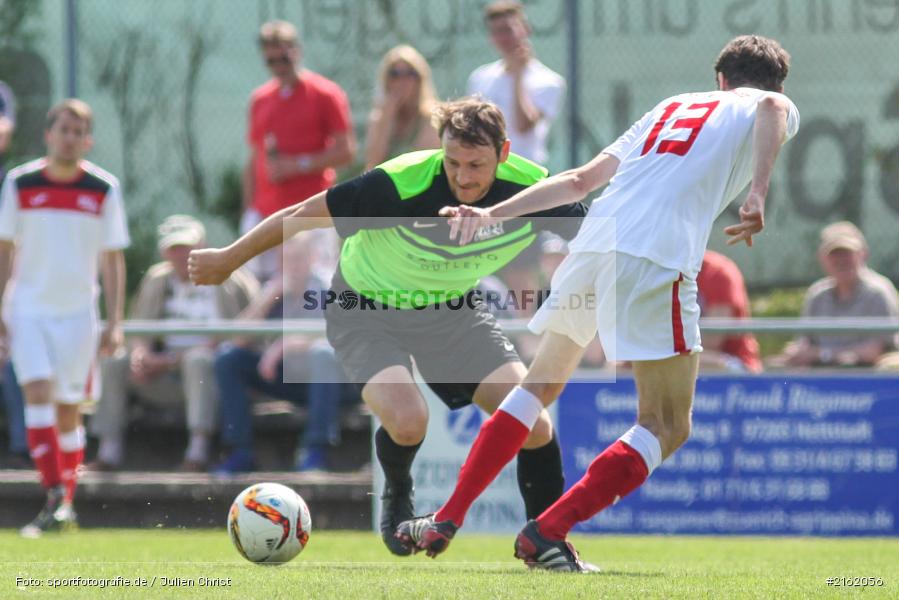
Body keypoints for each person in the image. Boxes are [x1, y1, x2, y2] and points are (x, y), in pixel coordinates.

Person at [397, 35, 800, 571]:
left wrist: (492, 214)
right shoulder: (768, 102)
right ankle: (546, 530)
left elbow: (579, 180)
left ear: (720, 80)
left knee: (537, 387)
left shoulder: (671, 106)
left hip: (593, 243)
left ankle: (448, 515)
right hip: (656, 256)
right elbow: (772, 106)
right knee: (669, 424)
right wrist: (758, 192)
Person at [189, 97, 586, 556]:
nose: (463, 177)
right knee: (408, 420)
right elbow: (298, 216)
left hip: (452, 311)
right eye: (452, 162)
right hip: (365, 308)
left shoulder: (537, 190)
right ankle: (398, 494)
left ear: (504, 151)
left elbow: (601, 242)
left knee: (533, 423)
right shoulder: (400, 183)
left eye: (476, 164)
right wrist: (226, 259)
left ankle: (548, 542)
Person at [0, 99, 129, 537]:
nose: (70, 137)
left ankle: (64, 506)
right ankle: (54, 493)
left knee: (69, 411)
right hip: (29, 308)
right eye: (63, 129)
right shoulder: (20, 183)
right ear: (47, 134)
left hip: (78, 314)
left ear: (87, 140)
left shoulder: (102, 188)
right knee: (37, 394)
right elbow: (5, 248)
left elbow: (113, 258)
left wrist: (115, 321)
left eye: (78, 131)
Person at [88, 215, 258, 472]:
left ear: (202, 244)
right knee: (113, 362)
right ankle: (108, 451)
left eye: (187, 247)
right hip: (162, 373)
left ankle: (197, 452)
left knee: (197, 361)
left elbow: (247, 330)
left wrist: (171, 361)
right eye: (174, 249)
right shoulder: (157, 279)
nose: (182, 255)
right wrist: (140, 355)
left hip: (208, 371)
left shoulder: (232, 278)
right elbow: (139, 329)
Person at [212, 232, 344, 474]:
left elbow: (334, 338)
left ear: (312, 258)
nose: (291, 266)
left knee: (321, 354)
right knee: (228, 360)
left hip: (331, 383)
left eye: (298, 258)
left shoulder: (328, 286)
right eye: (285, 259)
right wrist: (265, 299)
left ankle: (316, 453)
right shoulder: (274, 290)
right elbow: (238, 338)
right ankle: (239, 451)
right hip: (287, 378)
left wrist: (281, 346)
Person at [242, 20, 356, 282]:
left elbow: (346, 150)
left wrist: (298, 164)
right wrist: (249, 208)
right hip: (267, 212)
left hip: (312, 211)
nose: (279, 66)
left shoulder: (325, 93)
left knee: (316, 286)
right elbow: (253, 158)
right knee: (263, 287)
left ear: (296, 51)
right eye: (271, 61)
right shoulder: (260, 99)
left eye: (283, 57)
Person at [769, 222, 899, 369]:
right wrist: (795, 353)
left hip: (865, 376)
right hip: (822, 376)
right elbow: (804, 343)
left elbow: (875, 350)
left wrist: (824, 354)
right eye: (834, 254)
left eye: (847, 253)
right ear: (822, 258)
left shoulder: (877, 292)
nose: (841, 260)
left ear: (863, 254)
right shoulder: (817, 294)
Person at [467, 1, 565, 165]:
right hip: (486, 169)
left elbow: (523, 126)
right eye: (496, 31)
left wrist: (518, 76)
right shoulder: (479, 76)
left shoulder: (550, 81)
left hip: (525, 171)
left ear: (526, 29)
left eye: (508, 29)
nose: (502, 37)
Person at [364, 45, 441, 170]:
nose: (402, 81)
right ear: (386, 80)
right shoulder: (379, 118)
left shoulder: (432, 117)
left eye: (410, 73)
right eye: (395, 74)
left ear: (420, 80)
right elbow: (372, 164)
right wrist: (387, 117)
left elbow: (423, 161)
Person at [696, 250, 762, 373]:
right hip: (689, 355)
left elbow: (711, 342)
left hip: (734, 364)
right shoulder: (661, 273)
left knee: (670, 361)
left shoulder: (717, 272)